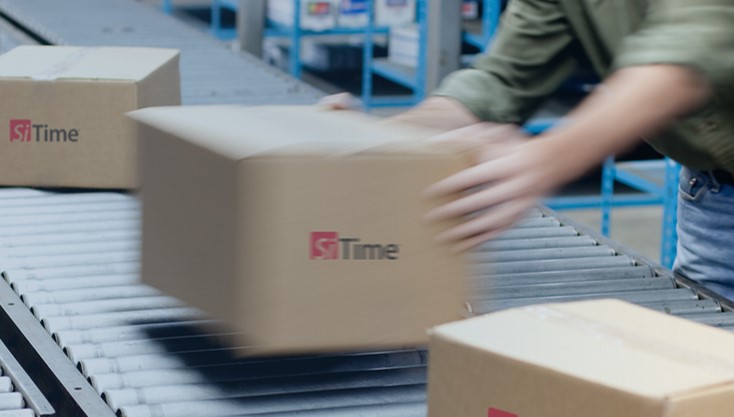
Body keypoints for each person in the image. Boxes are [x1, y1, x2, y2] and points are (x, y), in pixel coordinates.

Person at [325, 0, 734, 299]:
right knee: (710, 371)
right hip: (714, 197)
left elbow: (693, 52)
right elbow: (501, 79)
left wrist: (546, 159)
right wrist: (386, 141)